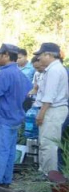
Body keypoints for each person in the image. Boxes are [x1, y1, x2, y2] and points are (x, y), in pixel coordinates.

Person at [0, 44, 32, 187]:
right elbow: (28, 94)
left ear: (6, 55)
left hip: (3, 117)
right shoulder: (21, 74)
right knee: (10, 150)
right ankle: (6, 179)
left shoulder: (4, 73)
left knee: (0, 150)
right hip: (15, 117)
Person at [33, 43, 69, 175]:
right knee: (45, 144)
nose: (40, 59)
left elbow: (49, 95)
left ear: (48, 55)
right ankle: (45, 172)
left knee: (49, 145)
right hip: (53, 109)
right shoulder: (54, 69)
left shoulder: (54, 70)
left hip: (53, 110)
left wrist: (41, 113)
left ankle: (49, 176)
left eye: (41, 56)